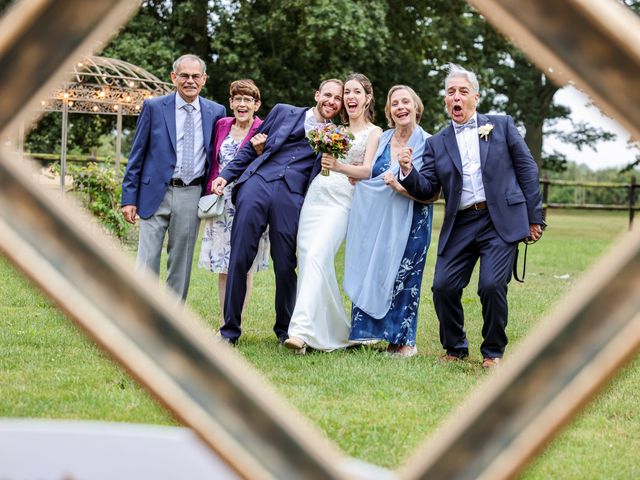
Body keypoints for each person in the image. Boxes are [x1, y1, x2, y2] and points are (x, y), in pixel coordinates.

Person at [399, 63, 544, 368]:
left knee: (491, 286)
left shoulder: (501, 125)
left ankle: (493, 352)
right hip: (461, 222)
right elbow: (427, 188)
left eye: (463, 91)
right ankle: (455, 348)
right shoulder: (435, 143)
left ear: (476, 97)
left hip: (499, 219)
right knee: (443, 287)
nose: (457, 97)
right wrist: (407, 171)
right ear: (445, 101)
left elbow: (527, 169)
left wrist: (534, 217)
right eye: (451, 92)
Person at [211, 79, 344, 345]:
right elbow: (252, 146)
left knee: (285, 264)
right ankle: (230, 331)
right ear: (317, 95)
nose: (331, 101)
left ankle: (285, 329)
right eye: (327, 94)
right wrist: (225, 176)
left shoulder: (337, 136)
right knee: (239, 256)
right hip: (257, 184)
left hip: (292, 197)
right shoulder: (284, 111)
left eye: (337, 98)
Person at [284, 73, 382, 354]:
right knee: (310, 259)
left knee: (318, 254)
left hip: (342, 202)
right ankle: (332, 331)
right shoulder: (332, 130)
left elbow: (367, 170)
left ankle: (300, 332)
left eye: (356, 92)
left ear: (367, 98)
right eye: (346, 93)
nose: (350, 97)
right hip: (316, 197)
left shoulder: (374, 132)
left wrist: (340, 167)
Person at [121, 54, 226, 301]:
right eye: (184, 75)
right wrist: (128, 198)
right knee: (147, 260)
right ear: (174, 77)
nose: (190, 80)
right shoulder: (154, 107)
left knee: (181, 261)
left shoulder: (216, 111)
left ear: (204, 79)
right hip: (154, 193)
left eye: (195, 76)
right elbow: (137, 154)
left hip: (192, 193)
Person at [343, 85, 436, 357]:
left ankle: (404, 342)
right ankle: (369, 334)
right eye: (394, 103)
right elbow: (369, 172)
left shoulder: (429, 143)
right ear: (389, 111)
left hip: (413, 221)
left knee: (405, 276)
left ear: (416, 107)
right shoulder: (381, 139)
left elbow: (432, 192)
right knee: (376, 270)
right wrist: (360, 180)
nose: (400, 107)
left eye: (405, 101)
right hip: (378, 220)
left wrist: (400, 187)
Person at [198, 79, 270, 326]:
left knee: (243, 265)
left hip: (249, 203)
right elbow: (212, 160)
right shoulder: (221, 126)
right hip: (221, 204)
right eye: (237, 99)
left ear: (256, 104)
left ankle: (234, 322)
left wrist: (261, 152)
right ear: (230, 102)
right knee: (223, 266)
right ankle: (223, 319)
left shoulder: (263, 129)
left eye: (247, 100)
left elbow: (268, 166)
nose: (242, 104)